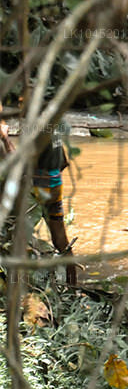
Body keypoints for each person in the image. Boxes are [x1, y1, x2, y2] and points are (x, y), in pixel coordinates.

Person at [0, 104, 77, 285]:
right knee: (61, 240)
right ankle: (74, 285)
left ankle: (16, 285)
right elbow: (64, 162)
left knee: (15, 237)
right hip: (55, 187)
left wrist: (5, 139)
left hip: (38, 190)